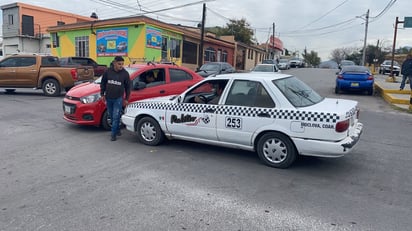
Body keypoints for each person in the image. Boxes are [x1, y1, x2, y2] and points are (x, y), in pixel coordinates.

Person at [100, 56, 131, 141]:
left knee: (116, 116)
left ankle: (113, 134)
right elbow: (103, 83)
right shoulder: (107, 72)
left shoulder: (125, 74)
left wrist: (126, 99)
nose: (121, 66)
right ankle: (117, 130)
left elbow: (128, 87)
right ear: (114, 63)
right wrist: (102, 94)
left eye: (122, 64)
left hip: (118, 99)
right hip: (109, 98)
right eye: (119, 64)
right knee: (111, 116)